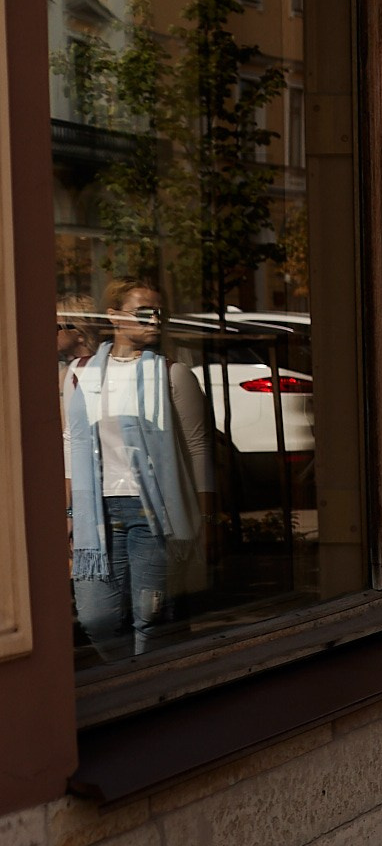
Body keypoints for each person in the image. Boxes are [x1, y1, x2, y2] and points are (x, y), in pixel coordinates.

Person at [63, 280, 213, 659]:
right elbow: (72, 441)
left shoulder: (173, 373)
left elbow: (197, 448)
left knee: (152, 617)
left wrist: (205, 518)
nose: (155, 320)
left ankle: (153, 692)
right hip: (97, 512)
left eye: (160, 313)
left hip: (155, 511)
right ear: (113, 315)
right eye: (145, 312)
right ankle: (124, 681)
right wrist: (68, 511)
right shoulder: (81, 372)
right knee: (97, 617)